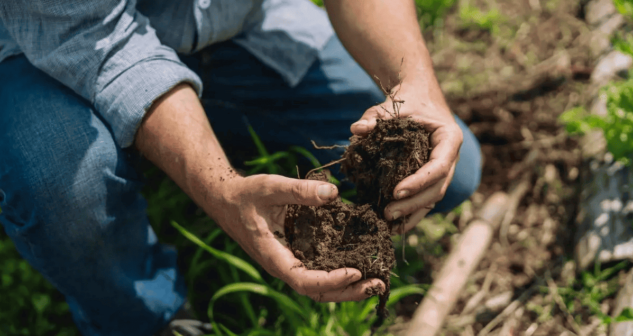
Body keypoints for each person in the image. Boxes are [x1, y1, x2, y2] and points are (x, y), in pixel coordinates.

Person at [0, 0, 482, 335]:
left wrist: (415, 83)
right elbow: (91, 34)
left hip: (235, 28)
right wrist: (218, 187)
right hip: (45, 49)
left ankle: (201, 134)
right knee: (63, 181)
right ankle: (147, 319)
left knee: (449, 174)